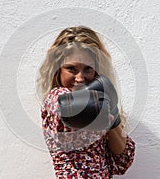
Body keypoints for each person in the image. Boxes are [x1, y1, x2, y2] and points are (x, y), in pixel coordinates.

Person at [37, 26, 135, 178]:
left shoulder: (100, 101)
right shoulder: (56, 98)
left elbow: (123, 159)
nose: (80, 78)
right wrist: (104, 105)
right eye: (71, 69)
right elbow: (68, 107)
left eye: (88, 69)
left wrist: (112, 118)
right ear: (58, 69)